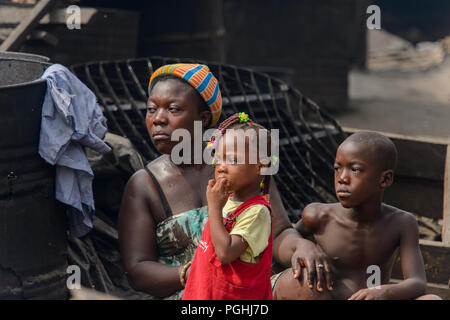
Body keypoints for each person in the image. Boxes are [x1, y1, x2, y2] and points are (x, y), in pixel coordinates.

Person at [118, 63, 332, 300]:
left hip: (248, 287)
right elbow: (137, 270)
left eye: (173, 109)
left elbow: (279, 231)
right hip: (191, 293)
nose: (158, 119)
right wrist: (195, 272)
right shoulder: (144, 185)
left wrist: (300, 246)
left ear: (203, 118)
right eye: (151, 109)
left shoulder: (243, 165)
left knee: (308, 285)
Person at [272, 131, 442, 300]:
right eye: (338, 168)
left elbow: (418, 283)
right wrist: (302, 246)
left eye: (355, 170)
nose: (342, 178)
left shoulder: (401, 223)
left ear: (385, 179)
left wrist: (384, 291)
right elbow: (280, 243)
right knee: (300, 283)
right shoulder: (319, 216)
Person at [183, 113, 274, 300]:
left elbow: (225, 253)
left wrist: (214, 209)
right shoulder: (228, 200)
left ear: (261, 166)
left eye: (232, 160)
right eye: (218, 159)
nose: (221, 167)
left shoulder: (257, 212)